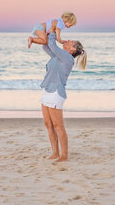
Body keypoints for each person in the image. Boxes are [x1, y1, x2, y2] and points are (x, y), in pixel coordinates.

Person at [40, 32, 87, 162]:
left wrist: (55, 34)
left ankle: (64, 156)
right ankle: (55, 153)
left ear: (72, 49)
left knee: (58, 126)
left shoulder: (68, 58)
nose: (68, 41)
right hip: (47, 90)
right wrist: (48, 35)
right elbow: (46, 47)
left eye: (70, 42)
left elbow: (53, 45)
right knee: (48, 124)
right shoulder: (58, 56)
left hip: (56, 93)